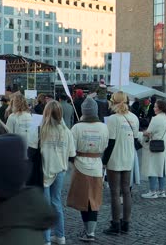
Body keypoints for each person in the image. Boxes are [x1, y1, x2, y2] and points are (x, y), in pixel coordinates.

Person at [28, 101, 76, 245]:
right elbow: (72, 154)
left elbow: (30, 153)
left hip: (44, 171)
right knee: (56, 203)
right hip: (60, 170)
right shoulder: (67, 132)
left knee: (45, 205)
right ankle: (60, 236)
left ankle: (46, 239)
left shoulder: (39, 130)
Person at [68, 97, 109, 242]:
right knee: (94, 199)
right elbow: (105, 145)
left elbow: (70, 149)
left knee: (83, 200)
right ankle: (90, 231)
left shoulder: (77, 128)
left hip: (80, 165)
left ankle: (88, 231)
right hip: (97, 164)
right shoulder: (103, 127)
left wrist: (73, 161)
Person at [102, 92, 139, 235]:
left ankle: (115, 223)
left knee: (115, 192)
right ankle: (126, 223)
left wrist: (104, 162)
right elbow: (135, 139)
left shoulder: (113, 119)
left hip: (115, 158)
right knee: (126, 191)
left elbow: (110, 143)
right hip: (128, 157)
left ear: (113, 102)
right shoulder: (134, 118)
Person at [140, 100, 166, 199]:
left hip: (154, 146)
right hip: (164, 146)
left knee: (152, 168)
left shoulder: (156, 118)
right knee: (162, 169)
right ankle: (161, 191)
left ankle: (152, 191)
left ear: (160, 108)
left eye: (155, 107)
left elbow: (148, 132)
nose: (153, 108)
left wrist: (140, 133)